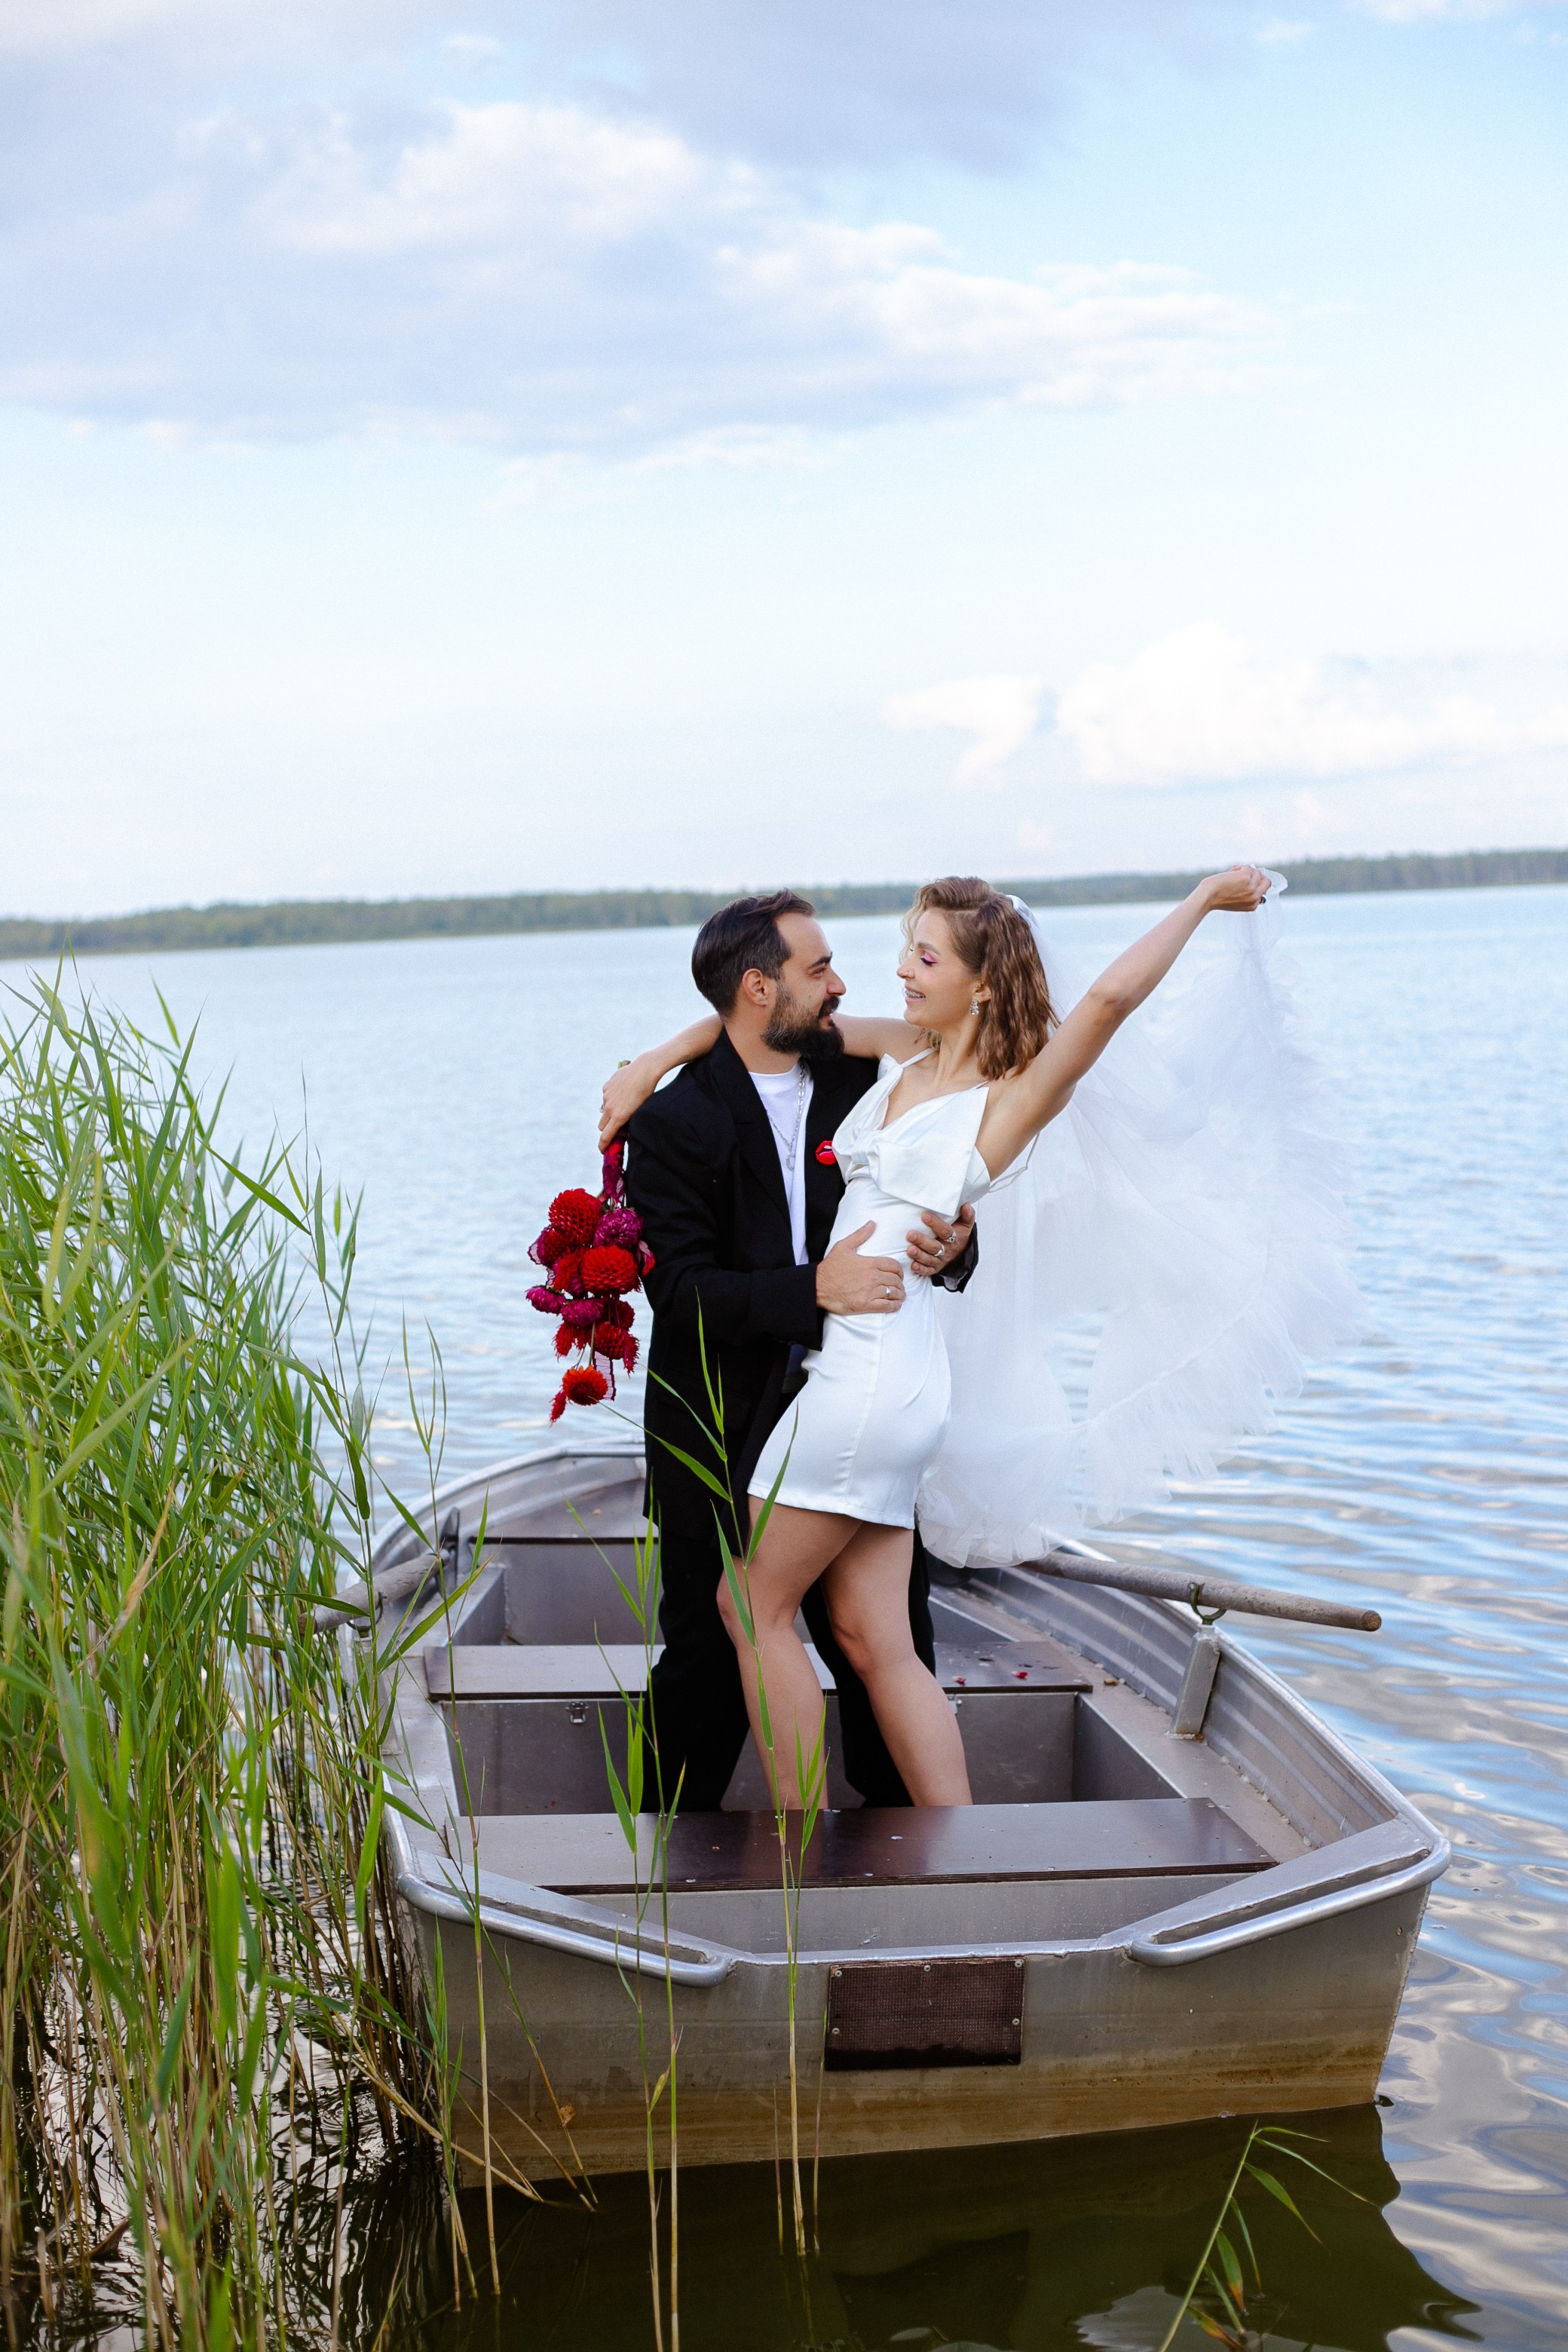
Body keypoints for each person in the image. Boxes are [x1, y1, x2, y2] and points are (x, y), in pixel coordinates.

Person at [612, 865, 1290, 1814]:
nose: (884, 972)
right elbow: (745, 1027)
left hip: (864, 1378)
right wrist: (653, 1059)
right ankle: (960, 1842)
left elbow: (1104, 1001)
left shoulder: (1008, 1087)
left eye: (920, 955)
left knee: (751, 1610)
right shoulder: (900, 1061)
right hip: (859, 1379)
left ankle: (799, 1857)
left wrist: (1203, 900)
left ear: (980, 982)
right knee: (871, 1635)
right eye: (886, 953)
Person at [602, 890, 978, 1814]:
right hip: (717, 1429)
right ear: (762, 988)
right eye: (819, 970)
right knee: (703, 1655)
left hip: (850, 1411)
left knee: (886, 1642)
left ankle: (920, 1856)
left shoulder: (869, 1085)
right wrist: (815, 1288)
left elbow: (924, 1199)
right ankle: (664, 1867)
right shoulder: (670, 1126)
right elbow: (680, 1296)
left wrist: (956, 1245)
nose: (842, 983)